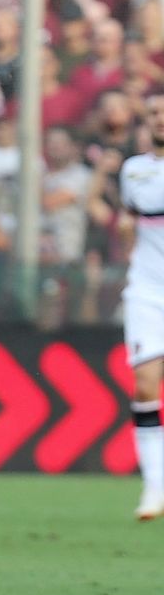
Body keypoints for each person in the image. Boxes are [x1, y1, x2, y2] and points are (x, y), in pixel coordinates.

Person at [119, 92, 164, 520]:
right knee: (146, 385)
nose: (161, 118)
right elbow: (135, 217)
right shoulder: (134, 170)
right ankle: (154, 487)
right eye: (154, 112)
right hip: (148, 291)